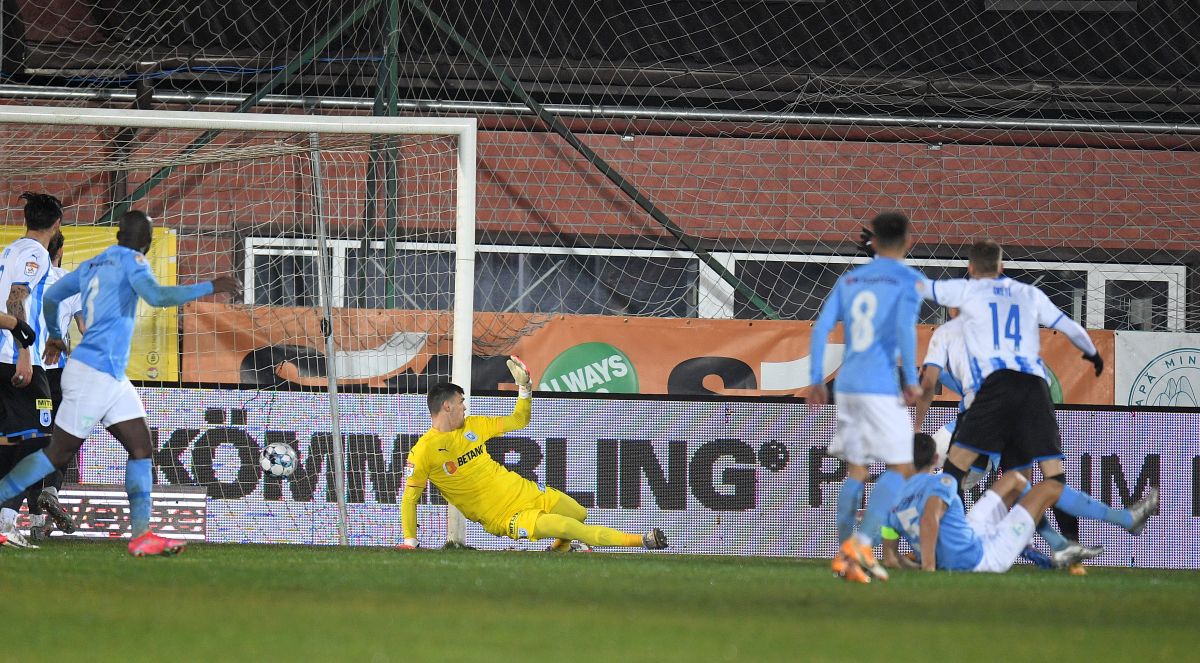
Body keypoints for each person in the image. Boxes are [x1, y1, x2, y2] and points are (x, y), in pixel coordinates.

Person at [0, 210, 240, 556]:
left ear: (117, 237)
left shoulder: (94, 264)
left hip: (110, 375)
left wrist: (54, 335)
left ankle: (142, 535)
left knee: (141, 447)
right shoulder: (134, 261)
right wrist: (211, 286)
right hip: (93, 373)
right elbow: (157, 298)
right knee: (55, 453)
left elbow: (52, 299)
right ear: (146, 241)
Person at [928, 240, 1157, 540]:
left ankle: (942, 541)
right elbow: (1067, 327)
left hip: (990, 407)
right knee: (1039, 482)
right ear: (1002, 268)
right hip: (1029, 391)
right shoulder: (1022, 296)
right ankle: (1073, 542)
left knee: (951, 473)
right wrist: (1093, 353)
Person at [399, 357, 668, 552]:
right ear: (446, 407)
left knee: (578, 513)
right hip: (506, 516)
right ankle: (642, 540)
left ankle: (559, 552)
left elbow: (519, 420)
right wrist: (410, 541)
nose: (465, 408)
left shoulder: (474, 426)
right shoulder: (424, 449)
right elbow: (410, 498)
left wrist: (525, 388)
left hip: (526, 491)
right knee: (569, 528)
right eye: (461, 403)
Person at [912, 310, 1098, 570]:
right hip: (1018, 411)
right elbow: (933, 378)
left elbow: (929, 380)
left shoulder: (953, 336)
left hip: (985, 417)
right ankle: (1064, 550)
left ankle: (946, 546)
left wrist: (917, 425)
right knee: (1034, 483)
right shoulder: (998, 335)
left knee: (947, 474)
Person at [808, 211, 927, 583]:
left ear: (872, 241)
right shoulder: (910, 280)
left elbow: (823, 327)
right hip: (879, 385)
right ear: (909, 240)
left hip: (847, 384)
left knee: (856, 469)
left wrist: (816, 380)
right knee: (902, 467)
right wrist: (911, 379)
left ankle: (846, 557)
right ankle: (860, 542)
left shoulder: (851, 280)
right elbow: (906, 332)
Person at [881, 433, 1090, 573]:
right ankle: (1050, 544)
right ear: (936, 459)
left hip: (971, 536)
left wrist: (914, 565)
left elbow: (890, 558)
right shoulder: (941, 482)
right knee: (1046, 490)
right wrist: (928, 567)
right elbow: (929, 519)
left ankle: (1028, 542)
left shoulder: (892, 500)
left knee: (1014, 479)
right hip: (980, 559)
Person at [0, 192, 63, 548]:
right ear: (56, 224)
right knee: (37, 441)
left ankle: (6, 521)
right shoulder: (36, 254)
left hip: (4, 355)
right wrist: (25, 351)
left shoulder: (9, 250)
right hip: (17, 358)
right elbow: (16, 296)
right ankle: (7, 523)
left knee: (10, 440)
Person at [25, 230, 86, 541]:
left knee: (30, 443)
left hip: (23, 369)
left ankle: (35, 522)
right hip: (56, 374)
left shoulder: (22, 278)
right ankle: (51, 490)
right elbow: (85, 330)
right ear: (59, 252)